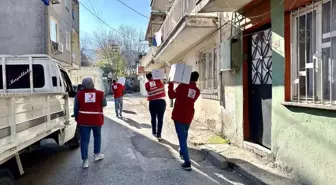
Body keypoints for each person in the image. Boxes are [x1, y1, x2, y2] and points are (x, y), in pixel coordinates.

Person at [168, 71, 200, 171]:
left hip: (179, 116)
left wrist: (170, 84)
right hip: (188, 116)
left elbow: (171, 95)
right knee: (184, 134)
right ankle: (182, 151)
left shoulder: (182, 86)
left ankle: (187, 162)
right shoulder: (197, 90)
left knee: (181, 138)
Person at [74, 77, 107, 169]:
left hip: (83, 121)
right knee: (97, 137)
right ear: (93, 84)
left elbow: (76, 109)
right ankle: (97, 155)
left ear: (83, 85)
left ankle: (85, 161)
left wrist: (77, 118)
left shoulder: (79, 94)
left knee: (84, 140)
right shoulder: (100, 94)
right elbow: (104, 104)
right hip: (97, 120)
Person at [145, 73, 166, 141]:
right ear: (152, 76)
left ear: (147, 78)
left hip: (152, 102)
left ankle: (154, 132)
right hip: (161, 102)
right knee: (160, 119)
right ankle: (159, 134)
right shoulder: (159, 81)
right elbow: (163, 86)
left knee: (153, 117)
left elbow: (148, 90)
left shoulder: (147, 84)